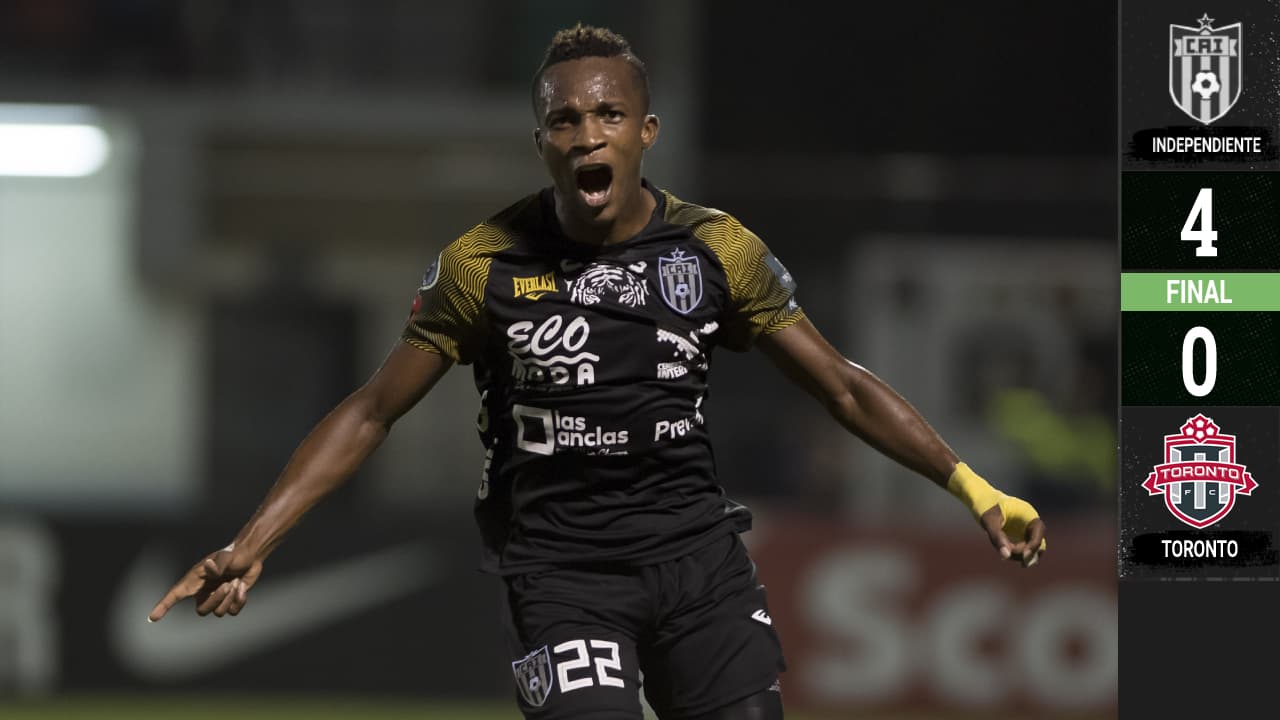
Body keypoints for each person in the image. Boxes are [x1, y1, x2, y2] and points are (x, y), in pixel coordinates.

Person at [148, 24, 1046, 720]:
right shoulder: (483, 265)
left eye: (609, 115)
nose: (589, 135)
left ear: (645, 131)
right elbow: (374, 411)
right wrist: (253, 541)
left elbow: (842, 385)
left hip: (699, 562)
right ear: (541, 140)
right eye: (566, 120)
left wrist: (971, 489)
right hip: (563, 575)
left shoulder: (715, 250)